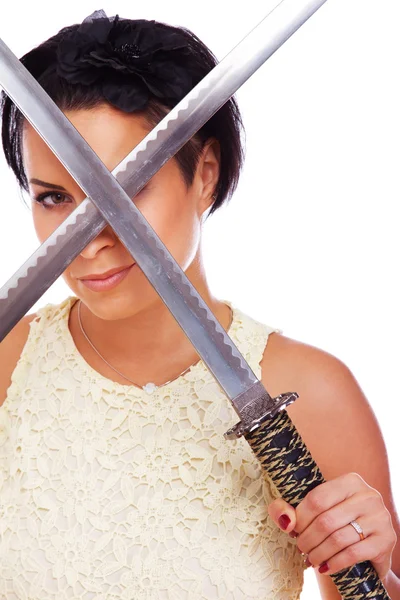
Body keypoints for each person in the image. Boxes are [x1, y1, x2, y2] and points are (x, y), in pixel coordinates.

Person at [0, 10, 398, 600]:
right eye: (55, 198)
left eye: (128, 188)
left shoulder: (315, 394)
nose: (90, 239)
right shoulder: (8, 360)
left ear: (205, 175)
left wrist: (378, 575)